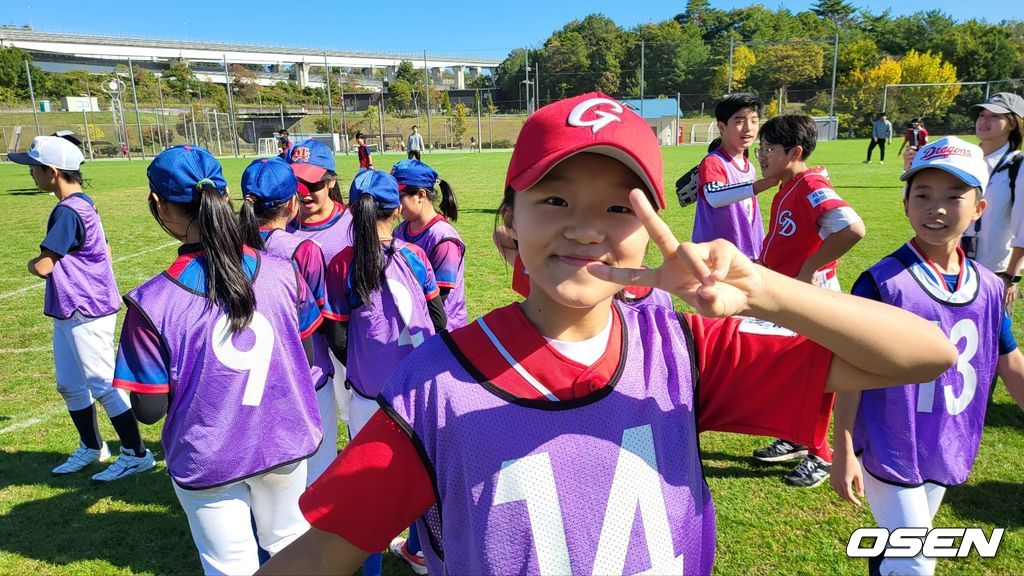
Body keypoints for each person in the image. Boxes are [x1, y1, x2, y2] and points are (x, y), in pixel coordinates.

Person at [256, 92, 956, 576]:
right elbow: (324, 553)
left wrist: (767, 290)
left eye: (621, 207)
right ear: (510, 219)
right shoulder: (437, 385)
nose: (587, 227)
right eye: (554, 198)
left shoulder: (682, 352)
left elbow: (925, 354)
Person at [113, 145, 323, 575]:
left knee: (230, 566)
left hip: (210, 454)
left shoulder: (151, 303)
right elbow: (304, 355)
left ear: (158, 204)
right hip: (283, 438)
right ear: (225, 198)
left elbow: (149, 410)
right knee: (289, 546)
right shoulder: (283, 272)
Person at [832, 137, 1024, 576]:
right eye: (923, 195)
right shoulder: (883, 282)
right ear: (905, 204)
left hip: (946, 439)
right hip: (889, 441)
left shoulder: (989, 287)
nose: (936, 208)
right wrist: (843, 442)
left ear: (979, 208)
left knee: (899, 549)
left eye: (954, 196)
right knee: (919, 560)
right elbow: (850, 367)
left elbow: (1008, 359)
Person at [319, 168, 447, 576]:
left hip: (369, 397)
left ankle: (373, 567)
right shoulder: (415, 255)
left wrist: (361, 365)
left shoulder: (342, 264)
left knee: (371, 492)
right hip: (418, 392)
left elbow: (336, 335)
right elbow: (439, 319)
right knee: (423, 480)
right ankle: (426, 552)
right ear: (394, 210)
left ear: (353, 211)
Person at [10, 135, 153, 482]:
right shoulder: (82, 203)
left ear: (53, 171)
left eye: (34, 167)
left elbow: (45, 265)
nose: (31, 174)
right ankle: (91, 446)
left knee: (102, 383)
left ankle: (136, 453)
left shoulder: (68, 210)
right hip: (71, 307)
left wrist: (32, 264)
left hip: (84, 307)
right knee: (69, 384)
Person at [753, 115, 866, 487]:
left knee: (816, 375)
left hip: (812, 296)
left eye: (769, 149)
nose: (762, 155)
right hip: (789, 294)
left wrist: (811, 267)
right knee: (797, 370)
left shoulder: (810, 183)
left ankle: (821, 455)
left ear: (795, 152)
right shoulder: (787, 184)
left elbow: (852, 227)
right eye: (761, 148)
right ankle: (797, 436)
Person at [238, 156, 336, 486]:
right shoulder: (302, 248)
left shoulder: (225, 247)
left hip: (246, 376)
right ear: (293, 203)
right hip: (305, 372)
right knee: (317, 473)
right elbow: (318, 315)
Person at [285, 139, 355, 424]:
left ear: (330, 182)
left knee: (354, 413)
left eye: (312, 184)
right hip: (305, 343)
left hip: (347, 338)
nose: (304, 194)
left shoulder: (352, 222)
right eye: (296, 185)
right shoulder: (282, 227)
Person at [692, 93, 778, 260]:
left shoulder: (749, 166)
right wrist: (763, 184)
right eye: (739, 122)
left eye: (754, 121)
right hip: (716, 258)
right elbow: (715, 196)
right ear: (722, 128)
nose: (748, 128)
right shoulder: (714, 162)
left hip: (745, 254)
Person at [960, 93, 1024, 310]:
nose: (984, 120)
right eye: (981, 114)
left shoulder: (1018, 166)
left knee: (992, 341)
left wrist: (1010, 277)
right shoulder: (966, 160)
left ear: (1012, 124)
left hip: (994, 273)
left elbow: (1023, 228)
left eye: (994, 116)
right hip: (954, 267)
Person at [391, 158, 467, 330]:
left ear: (421, 195)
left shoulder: (444, 239)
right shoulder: (400, 231)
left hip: (443, 334)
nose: (395, 204)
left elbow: (439, 298)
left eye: (398, 197)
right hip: (412, 324)